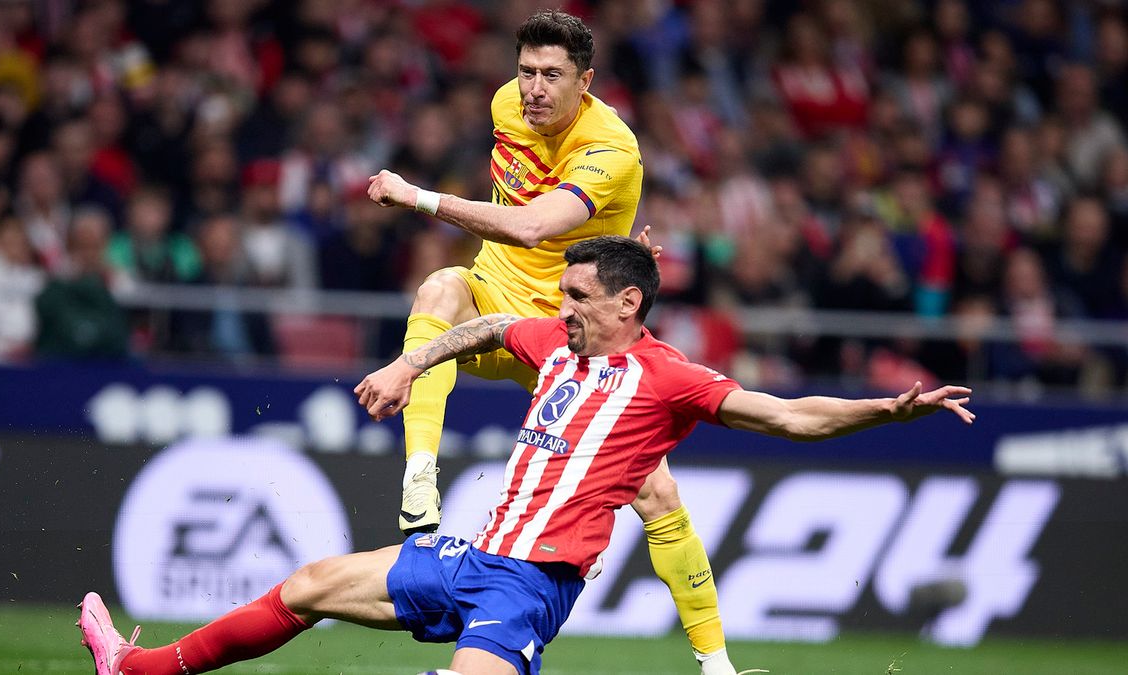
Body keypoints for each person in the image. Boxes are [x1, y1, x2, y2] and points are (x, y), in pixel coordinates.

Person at [78, 236, 974, 675]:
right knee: (310, 581)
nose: (564, 304)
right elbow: (498, 321)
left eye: (580, 295)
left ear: (630, 303)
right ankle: (135, 669)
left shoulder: (669, 379)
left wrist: (886, 410)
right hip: (471, 554)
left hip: (530, 584)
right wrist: (411, 359)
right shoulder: (559, 343)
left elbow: (788, 417)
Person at [366, 11, 733, 670]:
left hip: (571, 337)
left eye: (552, 76)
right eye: (527, 71)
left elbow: (536, 226)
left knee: (658, 495)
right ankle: (420, 486)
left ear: (585, 81)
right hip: (493, 309)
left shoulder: (612, 149)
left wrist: (417, 196)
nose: (533, 88)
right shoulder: (506, 104)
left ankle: (716, 662)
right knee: (440, 290)